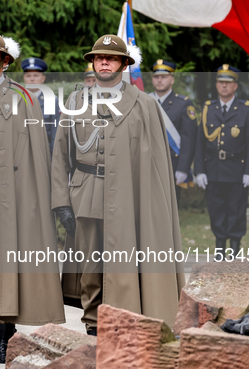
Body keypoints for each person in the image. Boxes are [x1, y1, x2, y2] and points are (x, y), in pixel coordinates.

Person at [52, 35, 185, 335]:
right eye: (99, 58)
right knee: (90, 270)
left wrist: (146, 206)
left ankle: (122, 328)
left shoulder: (145, 104)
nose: (104, 62)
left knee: (123, 267)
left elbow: (154, 165)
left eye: (111, 58)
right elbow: (60, 155)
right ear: (92, 63)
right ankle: (93, 330)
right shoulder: (74, 102)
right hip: (85, 195)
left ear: (124, 64)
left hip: (128, 199)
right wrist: (61, 202)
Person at [0, 32, 64, 366]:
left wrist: (35, 201)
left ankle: (6, 343)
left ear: (5, 61)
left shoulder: (22, 98)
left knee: (5, 271)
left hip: (7, 195)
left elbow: (36, 153)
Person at [194, 65, 249, 259]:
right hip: (213, 169)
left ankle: (235, 249)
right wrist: (200, 170)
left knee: (236, 209)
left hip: (237, 170)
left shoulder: (246, 109)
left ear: (235, 86)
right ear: (216, 85)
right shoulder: (208, 108)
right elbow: (200, 143)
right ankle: (220, 249)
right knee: (216, 209)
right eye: (221, 82)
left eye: (228, 82)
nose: (224, 86)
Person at [149, 59, 197, 204]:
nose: (159, 80)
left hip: (172, 164)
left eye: (164, 76)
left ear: (172, 80)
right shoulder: (145, 101)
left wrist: (183, 169)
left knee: (169, 208)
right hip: (148, 163)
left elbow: (189, 140)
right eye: (156, 76)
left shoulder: (183, 104)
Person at [21, 57, 59, 154]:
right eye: (28, 75)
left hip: (43, 153)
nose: (32, 79)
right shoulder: (17, 99)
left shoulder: (52, 100)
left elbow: (55, 135)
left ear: (43, 78)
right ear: (24, 78)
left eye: (36, 75)